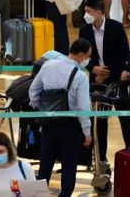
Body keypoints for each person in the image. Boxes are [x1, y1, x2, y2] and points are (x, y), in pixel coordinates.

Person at [28, 38, 92, 197]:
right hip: (70, 126)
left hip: (48, 122)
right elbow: (82, 108)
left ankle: (38, 194)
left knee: (45, 163)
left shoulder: (48, 65)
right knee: (69, 164)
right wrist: (87, 132)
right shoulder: (80, 75)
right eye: (88, 56)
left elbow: (33, 91)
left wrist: (40, 109)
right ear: (82, 55)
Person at [80, 0, 130, 161]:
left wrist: (106, 73)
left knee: (124, 117)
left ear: (99, 12)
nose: (86, 14)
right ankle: (101, 158)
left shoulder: (116, 28)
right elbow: (80, 55)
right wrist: (93, 69)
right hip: (96, 81)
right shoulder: (85, 30)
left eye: (89, 11)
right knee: (100, 122)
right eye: (85, 11)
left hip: (116, 79)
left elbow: (125, 53)